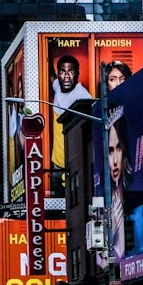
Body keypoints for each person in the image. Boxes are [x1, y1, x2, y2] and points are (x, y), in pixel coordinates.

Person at [50, 54, 93, 192]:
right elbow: (50, 77)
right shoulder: (58, 86)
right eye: (62, 71)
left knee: (73, 206)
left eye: (71, 71)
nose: (66, 76)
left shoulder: (83, 97)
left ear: (77, 74)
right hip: (56, 163)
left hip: (72, 165)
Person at [103, 112, 132, 265]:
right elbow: (102, 262)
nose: (115, 160)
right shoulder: (104, 208)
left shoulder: (134, 199)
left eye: (118, 148)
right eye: (110, 151)